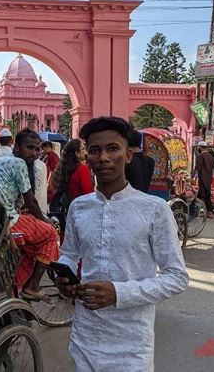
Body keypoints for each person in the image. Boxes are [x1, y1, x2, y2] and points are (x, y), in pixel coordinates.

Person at [56, 117, 188, 371]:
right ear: (87, 158)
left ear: (128, 155)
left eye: (112, 149)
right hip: (86, 334)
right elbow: (69, 254)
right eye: (94, 150)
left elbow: (176, 277)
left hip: (132, 342)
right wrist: (65, 277)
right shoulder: (79, 207)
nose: (103, 157)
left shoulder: (154, 209)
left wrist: (119, 293)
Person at [0, 129, 60, 300]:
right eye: (30, 148)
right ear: (17, 147)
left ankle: (15, 290)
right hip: (8, 219)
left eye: (37, 149)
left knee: (30, 242)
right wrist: (46, 221)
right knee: (50, 234)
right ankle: (33, 287)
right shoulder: (19, 163)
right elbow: (31, 202)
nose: (34, 153)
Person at [50, 139, 94, 213]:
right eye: (83, 148)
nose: (86, 150)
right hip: (82, 211)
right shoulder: (82, 169)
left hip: (70, 211)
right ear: (77, 153)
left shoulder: (65, 169)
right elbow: (89, 194)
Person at [194, 141, 214, 218]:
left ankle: (201, 211)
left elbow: (197, 167)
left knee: (202, 195)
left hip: (202, 178)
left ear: (200, 147)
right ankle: (208, 211)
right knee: (205, 195)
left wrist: (193, 174)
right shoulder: (210, 156)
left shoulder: (200, 156)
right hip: (208, 178)